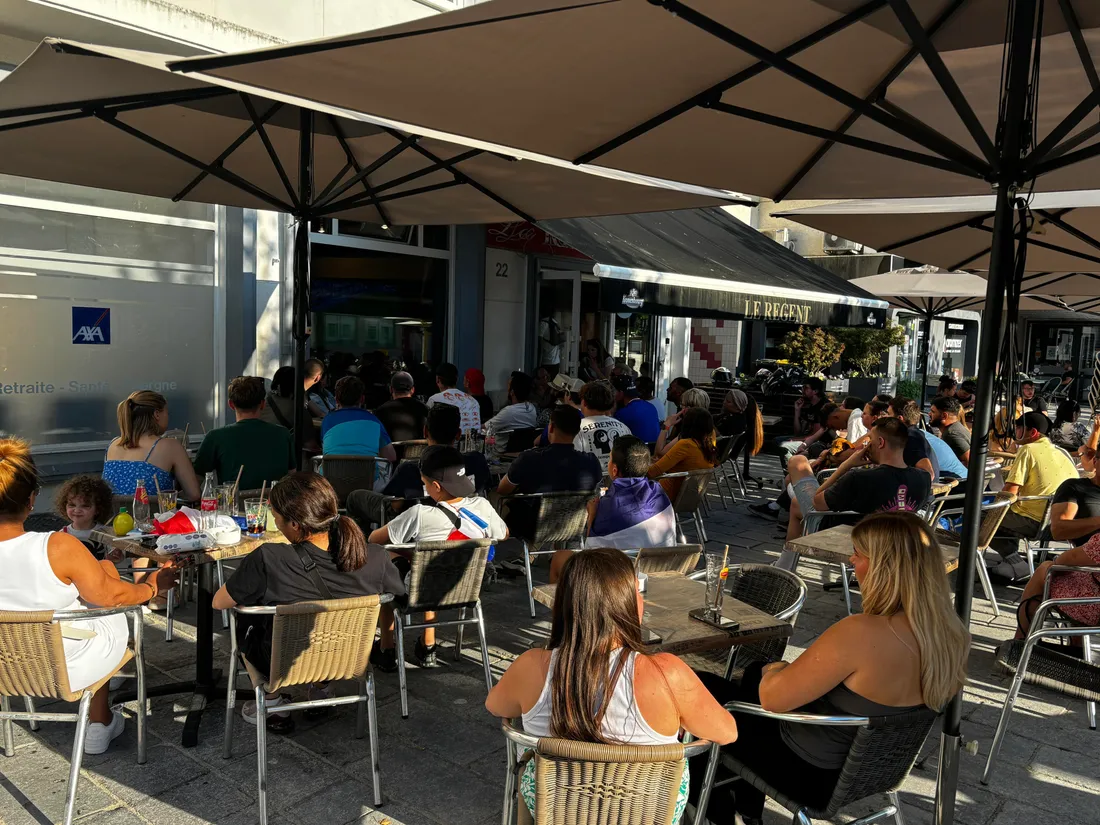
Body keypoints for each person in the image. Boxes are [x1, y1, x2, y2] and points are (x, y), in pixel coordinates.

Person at [691, 512, 970, 825]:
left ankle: (716, 811)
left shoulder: (861, 632)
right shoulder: (951, 635)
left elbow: (772, 700)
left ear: (886, 568)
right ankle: (747, 807)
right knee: (752, 673)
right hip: (871, 770)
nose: (851, 562)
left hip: (809, 773)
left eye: (858, 554)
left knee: (698, 690)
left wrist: (776, 670)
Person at [487, 547, 738, 825]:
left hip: (556, 809)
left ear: (563, 606)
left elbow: (495, 706)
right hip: (648, 811)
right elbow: (727, 732)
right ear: (632, 605)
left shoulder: (531, 665)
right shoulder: (667, 673)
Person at [0, 438, 179, 754]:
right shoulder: (57, 546)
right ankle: (99, 722)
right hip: (64, 666)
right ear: (30, 500)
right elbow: (112, 596)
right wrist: (153, 587)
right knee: (105, 581)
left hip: (6, 666)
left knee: (101, 573)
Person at [212, 471, 405, 732]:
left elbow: (220, 602)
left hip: (282, 660)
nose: (276, 523)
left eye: (277, 518)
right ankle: (322, 690)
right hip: (347, 657)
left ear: (294, 524)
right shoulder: (375, 556)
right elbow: (396, 595)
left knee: (248, 613)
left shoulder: (268, 558)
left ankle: (272, 701)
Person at [368, 446, 508, 669]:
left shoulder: (420, 514)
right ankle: (428, 645)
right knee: (429, 567)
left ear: (435, 486)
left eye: (424, 483)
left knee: (384, 559)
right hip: (466, 588)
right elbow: (504, 534)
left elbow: (375, 538)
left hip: (420, 590)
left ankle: (387, 648)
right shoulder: (483, 506)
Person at [780, 417, 933, 554]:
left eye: (870, 440)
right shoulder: (924, 479)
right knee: (795, 504)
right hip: (893, 543)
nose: (867, 445)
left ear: (880, 442)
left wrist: (847, 465)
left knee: (797, 461)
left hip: (844, 537)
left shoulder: (859, 478)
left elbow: (817, 502)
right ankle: (784, 566)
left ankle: (784, 567)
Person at [347, 403, 490, 529]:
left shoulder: (411, 469)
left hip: (417, 528)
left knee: (354, 498)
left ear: (425, 431)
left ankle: (362, 550)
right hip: (466, 526)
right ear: (458, 434)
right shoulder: (477, 461)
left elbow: (393, 505)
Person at [990, 411, 1079, 581]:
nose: (1015, 431)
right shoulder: (1062, 452)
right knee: (1003, 512)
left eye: (1018, 428)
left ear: (1032, 433)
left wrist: (990, 506)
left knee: (979, 517)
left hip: (1035, 521)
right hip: (1059, 522)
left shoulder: (1028, 449)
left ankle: (1016, 563)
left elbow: (1010, 492)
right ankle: (1009, 565)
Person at [498, 405, 602, 539]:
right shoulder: (591, 461)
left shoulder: (529, 459)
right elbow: (597, 493)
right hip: (575, 527)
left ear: (551, 427)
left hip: (531, 528)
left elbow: (502, 490)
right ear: (577, 431)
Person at [580, 436, 677, 558]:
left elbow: (592, 553)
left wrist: (591, 517)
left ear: (614, 470)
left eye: (610, 459)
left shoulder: (607, 507)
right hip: (665, 566)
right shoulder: (659, 492)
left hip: (627, 573)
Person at [193, 376, 294, 491]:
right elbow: (292, 475)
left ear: (231, 404)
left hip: (233, 504)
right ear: (262, 404)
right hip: (275, 504)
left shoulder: (215, 437)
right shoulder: (283, 434)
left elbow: (196, 478)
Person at [103, 390, 200, 501]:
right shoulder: (170, 446)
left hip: (114, 517)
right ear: (157, 414)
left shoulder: (112, 445)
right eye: (167, 413)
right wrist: (173, 496)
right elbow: (194, 494)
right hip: (152, 516)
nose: (168, 417)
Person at [320, 376, 398, 469]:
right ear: (362, 399)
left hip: (331, 479)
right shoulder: (374, 421)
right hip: (368, 480)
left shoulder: (327, 421)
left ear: (336, 400)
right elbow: (391, 456)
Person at [648, 406, 718, 501]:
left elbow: (652, 472)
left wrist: (666, 425)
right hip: (690, 496)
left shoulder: (686, 444)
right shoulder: (710, 439)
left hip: (665, 495)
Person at [1049, 419, 1100, 547]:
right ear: (1095, 462)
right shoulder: (1075, 487)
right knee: (1047, 566)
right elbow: (1058, 530)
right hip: (1087, 560)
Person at [574, 380, 632, 474]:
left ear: (584, 403)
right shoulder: (623, 427)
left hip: (589, 484)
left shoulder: (576, 428)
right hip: (618, 483)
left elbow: (573, 461)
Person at [775, 376, 828, 470]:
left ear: (815, 391)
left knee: (783, 445)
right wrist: (797, 411)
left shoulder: (822, 407)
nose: (802, 390)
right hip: (806, 437)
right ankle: (791, 470)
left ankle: (792, 471)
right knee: (777, 440)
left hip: (818, 442)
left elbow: (815, 435)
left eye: (806, 388)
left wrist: (795, 439)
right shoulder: (809, 406)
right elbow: (798, 431)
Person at [55, 474, 113, 557]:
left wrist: (116, 557)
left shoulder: (106, 533)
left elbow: (113, 559)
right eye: (72, 505)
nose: (77, 510)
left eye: (85, 506)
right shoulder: (63, 534)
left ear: (98, 509)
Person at [373, 371, 429, 444]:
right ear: (412, 390)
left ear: (391, 389)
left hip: (390, 454)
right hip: (419, 454)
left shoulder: (381, 411)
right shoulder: (424, 409)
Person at [483, 371, 538, 444]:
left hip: (504, 452)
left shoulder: (509, 412)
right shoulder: (532, 408)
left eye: (508, 386)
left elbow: (485, 428)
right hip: (525, 450)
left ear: (512, 392)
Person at [656, 387, 712, 457]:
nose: (681, 409)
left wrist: (666, 424)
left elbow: (659, 453)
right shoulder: (709, 430)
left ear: (687, 409)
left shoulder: (688, 434)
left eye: (682, 405)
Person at [427, 363, 482, 433]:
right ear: (457, 379)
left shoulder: (434, 400)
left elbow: (426, 426)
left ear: (437, 379)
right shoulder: (473, 401)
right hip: (472, 442)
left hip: (446, 442)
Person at [714, 389, 764, 456]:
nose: (724, 403)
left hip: (719, 453)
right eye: (725, 400)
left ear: (738, 405)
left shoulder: (732, 421)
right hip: (728, 453)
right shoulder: (739, 417)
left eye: (728, 402)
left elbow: (720, 437)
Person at [613, 374, 661, 443]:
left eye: (614, 391)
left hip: (636, 451)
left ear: (620, 393)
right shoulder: (651, 406)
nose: (612, 394)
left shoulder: (623, 413)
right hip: (653, 449)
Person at [930, 395, 971, 464]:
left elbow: (969, 461)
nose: (929, 414)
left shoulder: (951, 434)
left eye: (933, 412)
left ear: (944, 416)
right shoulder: (954, 428)